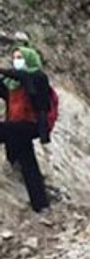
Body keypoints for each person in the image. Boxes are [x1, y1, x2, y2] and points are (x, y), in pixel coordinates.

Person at [0, 46, 54, 213]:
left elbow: (25, 77)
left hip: (30, 125)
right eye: (15, 57)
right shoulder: (12, 84)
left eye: (20, 57)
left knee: (22, 150)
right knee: (28, 161)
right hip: (16, 128)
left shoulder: (38, 77)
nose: (17, 61)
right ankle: (41, 204)